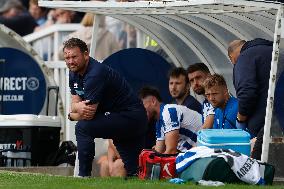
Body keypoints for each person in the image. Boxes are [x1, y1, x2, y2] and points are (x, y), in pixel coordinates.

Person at [64, 38, 148, 177]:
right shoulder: (74, 72)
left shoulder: (95, 73)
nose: (70, 61)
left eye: (74, 57)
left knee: (83, 127)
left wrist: (71, 115)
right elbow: (75, 103)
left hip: (130, 117)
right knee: (135, 172)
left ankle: (83, 177)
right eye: (67, 57)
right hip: (120, 117)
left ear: (86, 55)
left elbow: (88, 115)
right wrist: (76, 107)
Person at [227, 38, 272, 160]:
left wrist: (241, 119)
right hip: (278, 121)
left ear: (232, 56)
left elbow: (247, 93)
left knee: (260, 170)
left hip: (266, 125)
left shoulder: (244, 58)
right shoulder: (274, 51)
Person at [139, 86, 202, 154]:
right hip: (198, 150)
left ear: (153, 101)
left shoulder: (168, 112)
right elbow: (158, 152)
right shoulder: (159, 122)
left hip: (207, 148)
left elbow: (171, 151)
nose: (140, 111)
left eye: (142, 106)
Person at [187, 63, 214, 129]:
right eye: (192, 80)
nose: (195, 83)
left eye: (198, 78)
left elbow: (205, 130)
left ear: (209, 76)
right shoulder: (205, 103)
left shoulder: (216, 98)